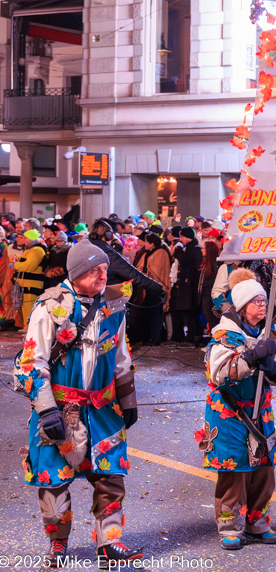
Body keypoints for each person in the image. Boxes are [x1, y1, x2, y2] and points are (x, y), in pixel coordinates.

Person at [13, 240, 143, 566]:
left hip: (103, 411)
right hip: (59, 411)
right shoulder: (50, 306)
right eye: (95, 270)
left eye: (104, 269)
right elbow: (32, 362)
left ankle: (109, 544)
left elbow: (122, 359)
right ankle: (58, 544)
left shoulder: (114, 305)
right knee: (53, 482)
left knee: (111, 478)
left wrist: (128, 400)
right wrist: (46, 410)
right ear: (77, 272)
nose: (102, 276)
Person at [200, 268, 276, 550]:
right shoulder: (224, 334)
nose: (262, 305)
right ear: (241, 305)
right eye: (256, 301)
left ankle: (257, 522)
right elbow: (217, 373)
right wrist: (250, 359)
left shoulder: (271, 334)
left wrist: (272, 367)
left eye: (264, 300)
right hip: (230, 411)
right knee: (234, 470)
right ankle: (230, 525)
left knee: (264, 469)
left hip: (260, 411)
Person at [169, 227, 203, 345]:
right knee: (188, 312)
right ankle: (189, 336)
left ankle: (192, 337)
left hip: (191, 286)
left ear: (188, 237)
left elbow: (185, 262)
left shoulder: (194, 250)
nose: (181, 239)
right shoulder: (188, 248)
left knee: (192, 312)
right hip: (186, 285)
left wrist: (178, 251)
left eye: (182, 237)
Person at [14, 228, 48, 324]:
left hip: (32, 285)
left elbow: (28, 267)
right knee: (25, 307)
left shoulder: (37, 250)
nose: (24, 240)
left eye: (25, 238)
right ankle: (26, 327)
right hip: (26, 285)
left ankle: (30, 327)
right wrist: (17, 258)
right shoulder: (30, 250)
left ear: (31, 240)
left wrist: (15, 265)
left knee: (30, 307)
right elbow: (25, 261)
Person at [199, 240, 220, 343]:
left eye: (204, 248)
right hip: (205, 295)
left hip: (210, 296)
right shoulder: (206, 263)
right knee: (209, 319)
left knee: (212, 319)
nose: (202, 249)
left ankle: (215, 341)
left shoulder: (214, 264)